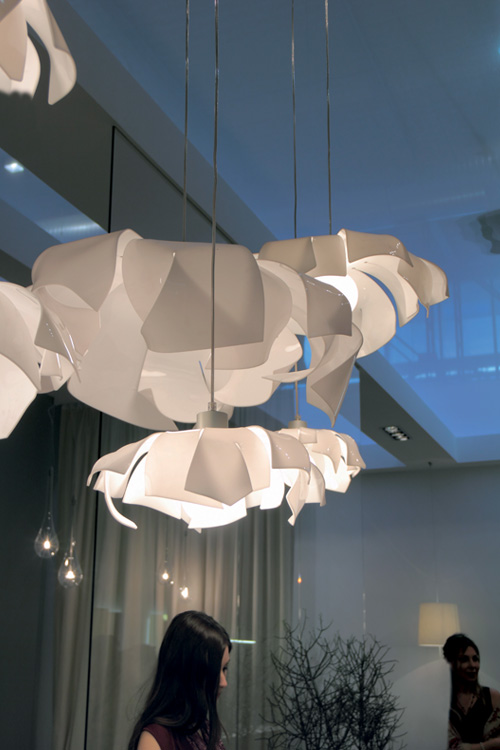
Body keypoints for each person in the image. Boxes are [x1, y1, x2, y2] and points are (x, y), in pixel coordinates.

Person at [128, 610, 231, 750]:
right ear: (187, 671)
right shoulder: (156, 739)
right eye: (213, 671)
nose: (223, 683)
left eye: (224, 668)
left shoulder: (201, 727)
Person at [444, 633, 500, 750]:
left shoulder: (492, 697)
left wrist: (476, 747)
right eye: (464, 659)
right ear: (451, 663)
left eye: (475, 659)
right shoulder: (442, 702)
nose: (473, 665)